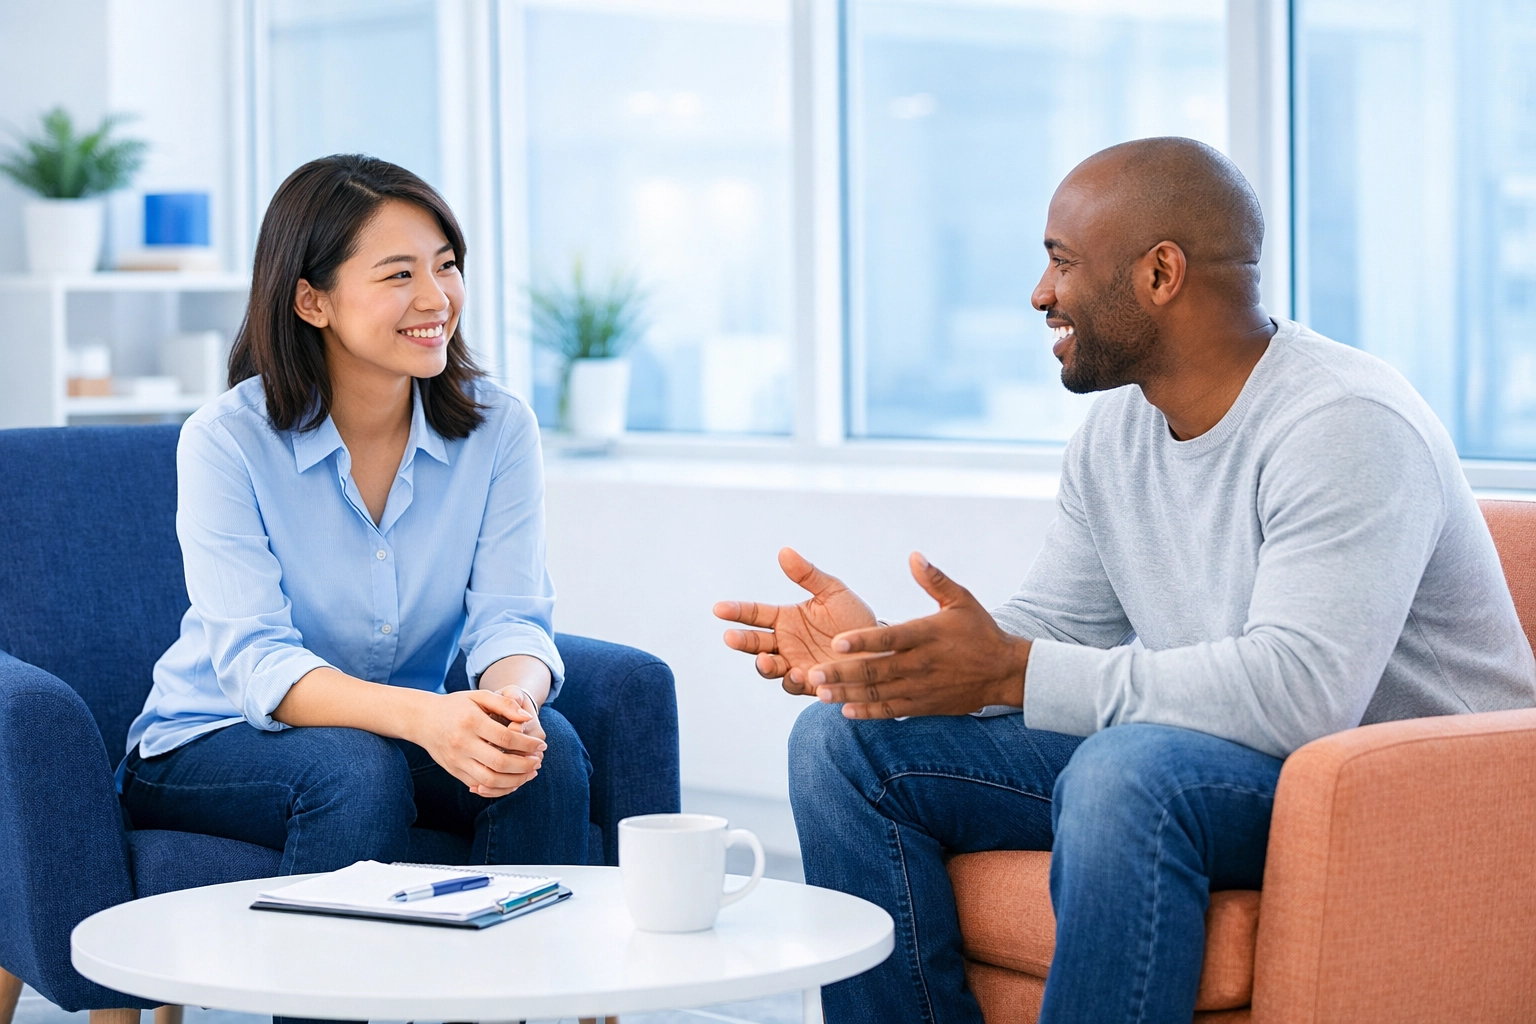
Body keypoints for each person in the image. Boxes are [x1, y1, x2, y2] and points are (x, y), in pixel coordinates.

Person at [715, 137, 1536, 1024]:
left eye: (1061, 264)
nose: (1040, 295)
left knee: (1126, 771)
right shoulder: (1118, 435)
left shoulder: (1344, 424)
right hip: (1229, 764)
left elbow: (1303, 695)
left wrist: (1010, 671)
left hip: (1411, 790)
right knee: (841, 744)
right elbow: (1057, 630)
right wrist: (886, 661)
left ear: (1160, 274)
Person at [121, 155, 590, 886]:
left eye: (447, 265)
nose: (437, 297)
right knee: (354, 767)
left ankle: (506, 998)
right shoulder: (226, 440)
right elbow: (260, 661)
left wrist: (511, 706)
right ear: (312, 301)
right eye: (399, 274)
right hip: (214, 739)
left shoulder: (501, 430)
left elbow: (512, 619)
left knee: (543, 754)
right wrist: (424, 719)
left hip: (398, 730)